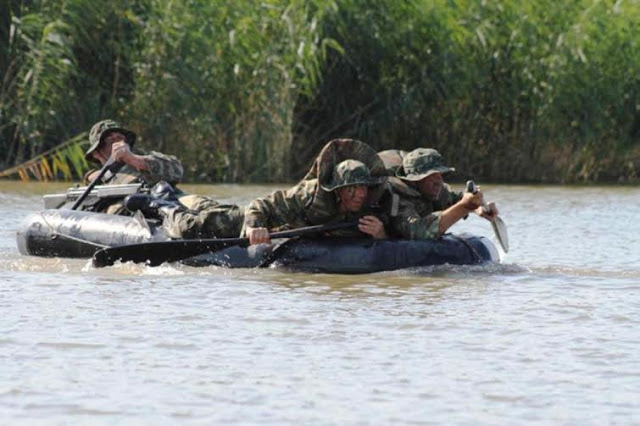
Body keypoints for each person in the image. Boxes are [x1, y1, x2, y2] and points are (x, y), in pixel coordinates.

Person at [243, 139, 392, 245]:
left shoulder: (371, 208)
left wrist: (381, 234)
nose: (361, 194)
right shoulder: (309, 193)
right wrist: (254, 227)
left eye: (364, 187)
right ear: (338, 190)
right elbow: (260, 205)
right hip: (259, 225)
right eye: (352, 188)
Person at [387, 148, 499, 239]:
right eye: (431, 177)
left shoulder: (434, 189)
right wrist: (465, 206)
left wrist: (479, 207)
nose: (439, 182)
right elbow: (418, 231)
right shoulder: (398, 199)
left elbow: (459, 199)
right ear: (414, 180)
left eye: (440, 175)